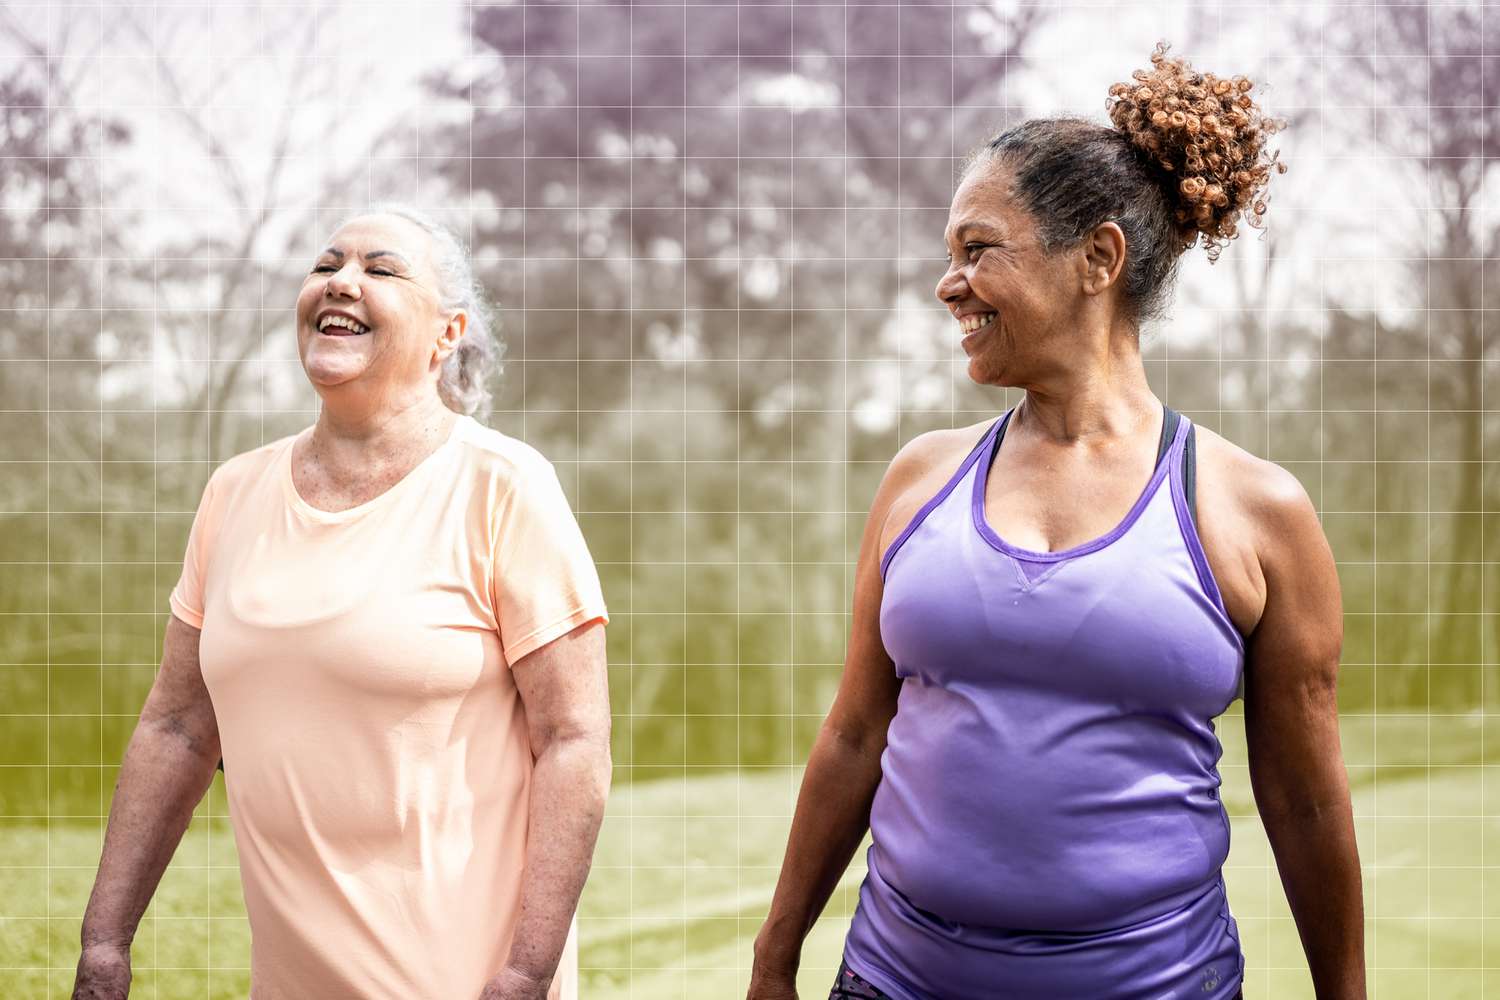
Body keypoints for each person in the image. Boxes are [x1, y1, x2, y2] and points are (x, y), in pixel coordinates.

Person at [748, 43, 1364, 1000]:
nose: (948, 283)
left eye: (977, 248)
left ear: (1099, 259)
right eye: (949, 255)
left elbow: (1306, 801)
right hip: (892, 980)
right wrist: (773, 959)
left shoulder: (1256, 513)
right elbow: (854, 737)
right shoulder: (920, 480)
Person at [71, 206, 612, 1000]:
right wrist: (104, 941)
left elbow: (573, 741)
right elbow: (178, 727)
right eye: (327, 265)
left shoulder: (505, 487)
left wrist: (528, 972)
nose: (342, 283)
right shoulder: (233, 492)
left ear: (447, 333)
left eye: (381, 270)